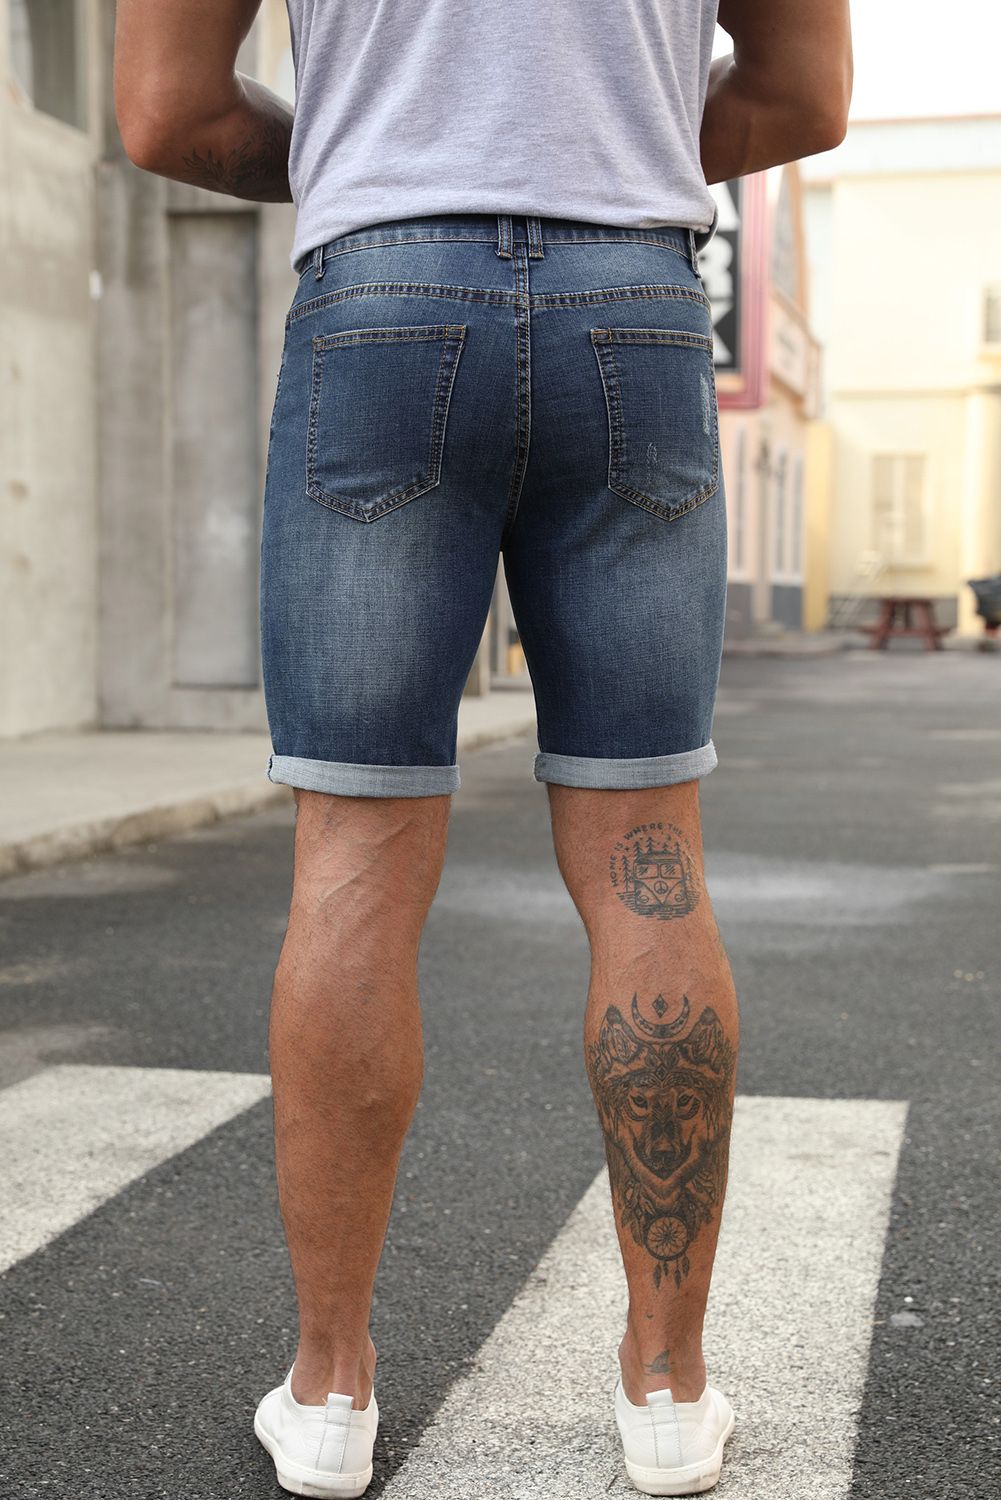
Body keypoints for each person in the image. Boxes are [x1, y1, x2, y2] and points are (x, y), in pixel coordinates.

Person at [114, 2, 851, 1495]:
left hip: (381, 295)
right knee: (648, 853)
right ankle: (667, 1389)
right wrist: (606, 146)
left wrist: (375, 154)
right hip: (634, 301)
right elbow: (804, 96)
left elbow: (165, 111)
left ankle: (329, 1391)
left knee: (355, 854)